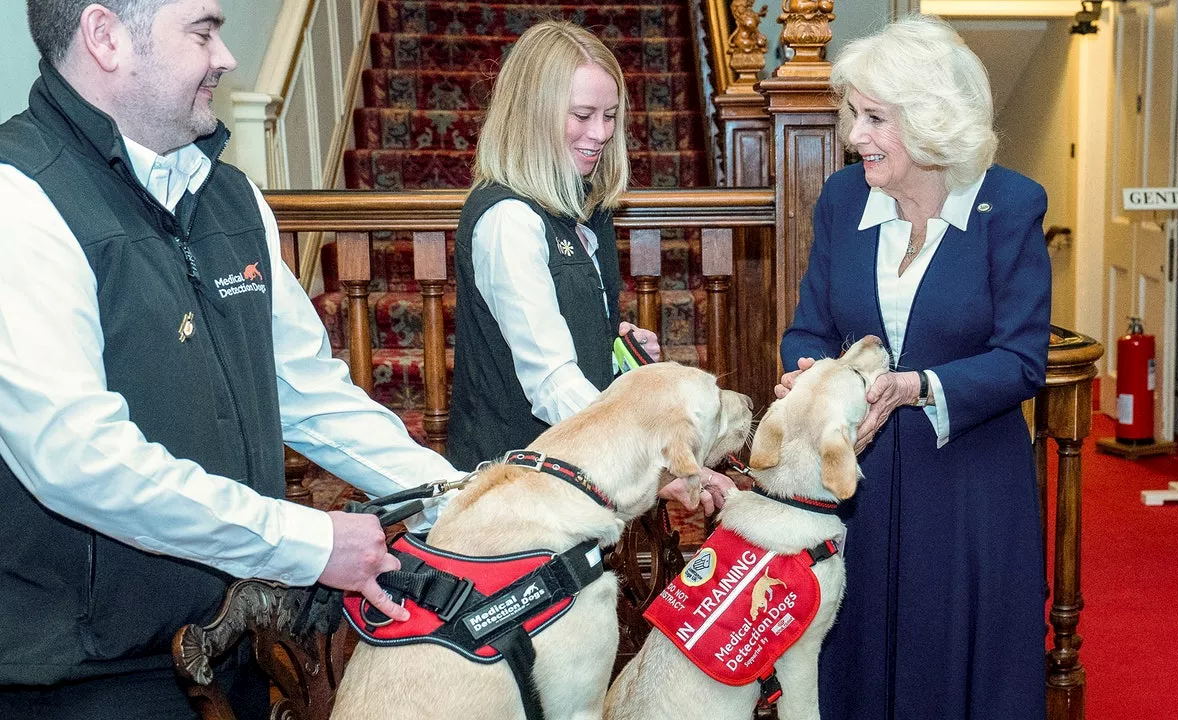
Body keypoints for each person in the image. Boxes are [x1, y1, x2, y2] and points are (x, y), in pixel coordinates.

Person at [0, 1, 463, 717]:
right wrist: (306, 541)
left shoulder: (232, 195)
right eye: (203, 31)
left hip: (238, 650)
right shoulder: (20, 196)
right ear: (105, 37)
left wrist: (464, 497)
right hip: (88, 679)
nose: (227, 57)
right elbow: (76, 456)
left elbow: (309, 394)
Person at [775, 16, 1051, 720]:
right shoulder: (842, 200)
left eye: (874, 118)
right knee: (856, 658)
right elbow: (810, 325)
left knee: (956, 668)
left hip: (968, 492)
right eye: (853, 115)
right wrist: (805, 376)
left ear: (931, 121)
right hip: (858, 482)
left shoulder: (1010, 206)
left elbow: (1022, 361)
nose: (853, 136)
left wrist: (920, 386)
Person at [446, 20, 733, 513]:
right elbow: (552, 382)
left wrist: (611, 345)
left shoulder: (583, 207)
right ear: (532, 114)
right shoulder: (508, 219)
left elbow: (568, 324)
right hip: (515, 492)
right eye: (581, 115)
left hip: (573, 473)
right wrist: (660, 459)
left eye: (610, 116)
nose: (599, 133)